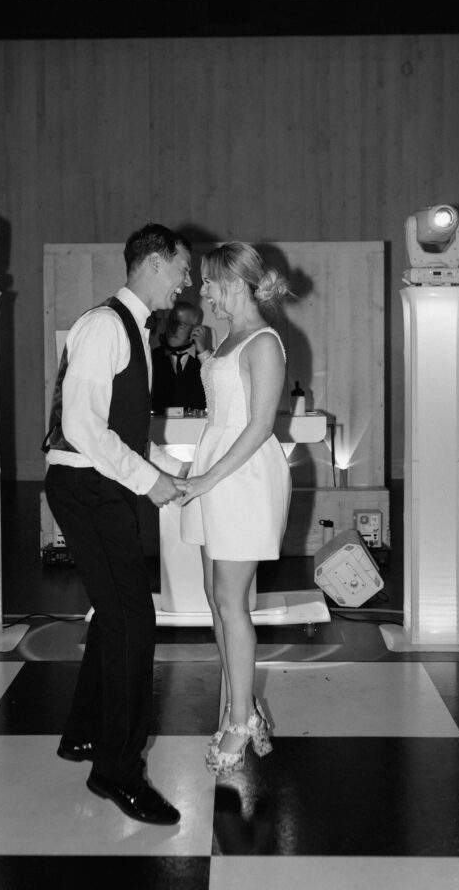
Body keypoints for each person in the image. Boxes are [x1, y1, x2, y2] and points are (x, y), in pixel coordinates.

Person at [43, 223, 191, 825]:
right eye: (182, 268)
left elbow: (119, 429)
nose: (186, 281)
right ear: (154, 263)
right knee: (134, 619)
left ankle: (83, 732)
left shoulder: (130, 328)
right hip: (87, 488)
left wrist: (166, 469)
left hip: (98, 486)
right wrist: (150, 480)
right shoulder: (106, 325)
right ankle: (117, 772)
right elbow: (82, 428)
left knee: (115, 612)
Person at [179, 241, 292, 776]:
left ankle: (241, 720)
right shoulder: (230, 339)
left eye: (209, 281)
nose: (201, 290)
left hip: (241, 475)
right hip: (216, 467)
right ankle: (240, 708)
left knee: (230, 601)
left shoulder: (264, 342)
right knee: (216, 599)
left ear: (235, 283)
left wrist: (207, 478)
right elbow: (224, 408)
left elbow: (260, 425)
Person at [151, 300, 211, 414]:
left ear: (195, 329)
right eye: (172, 322)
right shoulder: (152, 357)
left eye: (182, 325)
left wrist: (203, 350)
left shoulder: (205, 360)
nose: (174, 329)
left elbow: (218, 389)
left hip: (195, 428)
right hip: (158, 427)